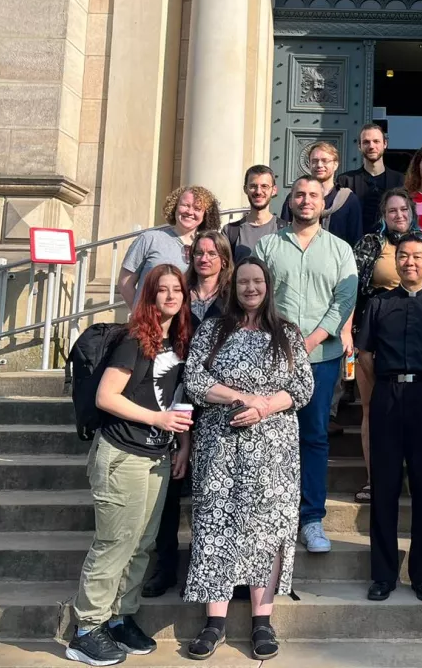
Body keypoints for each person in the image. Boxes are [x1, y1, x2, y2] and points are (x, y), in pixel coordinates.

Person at [181, 256, 314, 660]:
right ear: (233, 287)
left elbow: (303, 387)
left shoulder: (287, 332)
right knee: (216, 524)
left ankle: (262, 622)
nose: (250, 289)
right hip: (220, 447)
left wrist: (266, 406)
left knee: (268, 530)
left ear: (267, 286)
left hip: (274, 450)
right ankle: (214, 623)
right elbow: (194, 379)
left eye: (257, 282)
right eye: (243, 283)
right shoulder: (214, 329)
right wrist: (240, 398)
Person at [65, 265, 193, 667]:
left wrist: (182, 444)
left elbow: (178, 401)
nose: (171, 296)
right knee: (114, 543)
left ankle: (119, 617)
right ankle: (86, 629)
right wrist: (157, 421)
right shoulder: (134, 340)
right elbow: (106, 397)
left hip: (156, 456)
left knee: (141, 544)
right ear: (149, 295)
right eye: (163, 290)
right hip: (122, 454)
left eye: (177, 290)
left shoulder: (180, 342)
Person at [254, 176, 357, 555]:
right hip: (272, 357)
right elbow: (254, 293)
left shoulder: (340, 250)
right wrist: (280, 337)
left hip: (321, 359)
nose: (306, 200)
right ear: (290, 200)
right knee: (271, 439)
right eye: (300, 194)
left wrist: (310, 340)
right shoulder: (267, 246)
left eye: (313, 195)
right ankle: (272, 514)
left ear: (324, 200)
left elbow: (344, 299)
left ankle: (311, 518)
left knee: (314, 437)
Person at [356, 234, 422, 602]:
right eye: (403, 256)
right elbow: (365, 354)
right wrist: (387, 384)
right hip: (386, 395)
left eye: (417, 256)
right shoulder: (379, 305)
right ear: (396, 262)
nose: (410, 262)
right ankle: (383, 575)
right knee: (384, 487)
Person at [350, 189, 422, 505]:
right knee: (373, 413)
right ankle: (376, 480)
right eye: (391, 210)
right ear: (383, 215)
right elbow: (354, 288)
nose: (398, 215)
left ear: (413, 213)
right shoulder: (370, 245)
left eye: (403, 210)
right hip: (378, 338)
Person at [142, 231, 233, 599]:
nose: (205, 258)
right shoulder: (178, 293)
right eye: (199, 252)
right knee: (169, 490)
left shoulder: (232, 300)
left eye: (212, 253)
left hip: (216, 403)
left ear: (224, 259)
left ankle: (204, 567)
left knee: (212, 494)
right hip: (174, 397)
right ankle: (164, 566)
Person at [118, 186, 221, 307]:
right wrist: (141, 315)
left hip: (186, 323)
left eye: (197, 208)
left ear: (205, 214)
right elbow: (125, 284)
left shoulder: (206, 247)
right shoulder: (150, 239)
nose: (190, 212)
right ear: (175, 207)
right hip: (149, 323)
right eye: (185, 205)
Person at [279, 141, 362, 247]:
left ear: (335, 164)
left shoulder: (348, 199)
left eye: (325, 161)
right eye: (314, 161)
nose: (319, 165)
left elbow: (356, 239)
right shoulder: (295, 198)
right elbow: (284, 232)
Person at [337, 122, 405, 238]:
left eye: (376, 141)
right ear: (359, 146)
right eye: (366, 142)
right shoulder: (345, 181)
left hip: (391, 248)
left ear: (385, 144)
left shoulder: (400, 180)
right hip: (354, 247)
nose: (371, 146)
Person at [224, 165, 284, 260]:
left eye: (264, 186)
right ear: (245, 189)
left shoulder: (286, 230)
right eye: (253, 186)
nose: (258, 191)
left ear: (274, 190)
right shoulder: (230, 231)